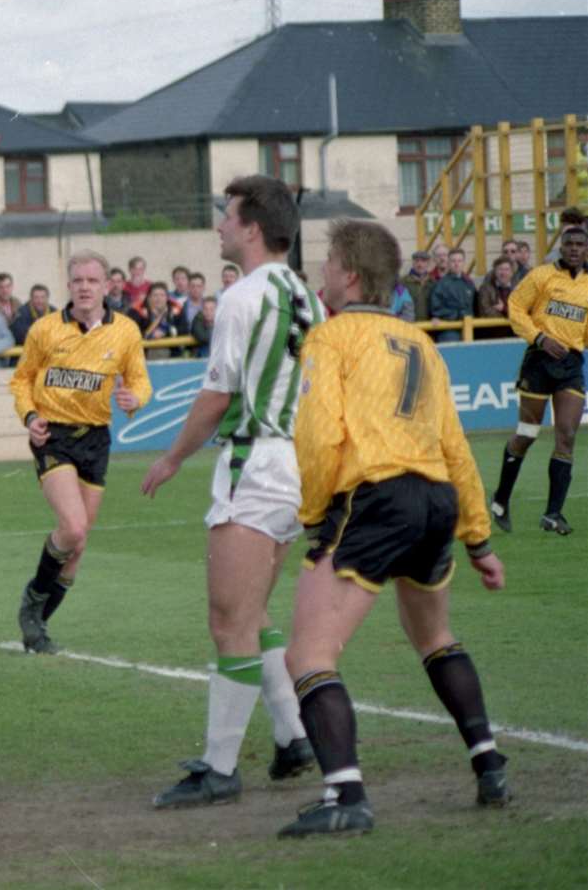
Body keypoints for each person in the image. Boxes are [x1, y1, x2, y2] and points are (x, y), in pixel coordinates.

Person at [277, 218, 508, 838]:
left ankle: (345, 796)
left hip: (376, 497)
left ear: (349, 275)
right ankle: (489, 762)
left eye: (327, 263)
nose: (321, 272)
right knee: (433, 635)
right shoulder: (421, 343)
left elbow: (319, 433)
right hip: (434, 498)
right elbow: (455, 445)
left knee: (308, 654)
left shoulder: (331, 339)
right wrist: (477, 536)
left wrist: (315, 516)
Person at [139, 175, 320, 808]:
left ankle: (220, 769)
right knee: (254, 613)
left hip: (255, 464)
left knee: (227, 624)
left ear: (251, 228)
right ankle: (294, 737)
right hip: (291, 463)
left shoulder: (242, 298)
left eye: (226, 216)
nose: (218, 226)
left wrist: (170, 459)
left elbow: (216, 397)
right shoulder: (303, 294)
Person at [12, 250, 151, 654]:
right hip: (52, 436)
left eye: (93, 280)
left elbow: (141, 382)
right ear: (68, 286)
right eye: (78, 281)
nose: (85, 287)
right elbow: (21, 381)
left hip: (96, 440)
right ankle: (32, 603)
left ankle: (37, 625)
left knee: (79, 546)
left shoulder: (125, 331)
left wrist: (133, 398)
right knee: (72, 528)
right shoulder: (45, 330)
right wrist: (30, 416)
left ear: (107, 285)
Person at [489, 221, 588, 536]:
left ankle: (553, 513)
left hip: (571, 364)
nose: (574, 249)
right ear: (562, 247)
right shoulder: (542, 276)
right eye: (569, 244)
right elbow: (515, 307)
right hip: (539, 362)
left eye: (580, 245)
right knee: (528, 433)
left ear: (586, 250)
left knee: (567, 436)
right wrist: (539, 338)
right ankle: (501, 497)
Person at [429, 247, 476, 342]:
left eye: (459, 261)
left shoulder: (469, 283)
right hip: (449, 331)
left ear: (463, 263)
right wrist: (459, 314)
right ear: (448, 263)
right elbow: (436, 309)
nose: (456, 264)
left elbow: (474, 307)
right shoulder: (441, 284)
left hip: (468, 328)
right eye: (453, 261)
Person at [135, 281, 184, 358]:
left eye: (162, 295)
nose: (159, 298)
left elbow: (184, 330)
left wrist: (166, 332)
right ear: (149, 297)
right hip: (145, 356)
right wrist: (151, 335)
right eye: (155, 295)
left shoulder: (177, 311)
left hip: (172, 354)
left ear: (167, 297)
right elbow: (133, 332)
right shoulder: (137, 312)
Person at [475, 256, 515, 332]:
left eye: (506, 269)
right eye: (500, 269)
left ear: (511, 272)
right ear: (495, 272)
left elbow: (522, 313)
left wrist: (504, 309)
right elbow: (486, 312)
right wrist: (508, 317)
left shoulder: (517, 290)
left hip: (514, 332)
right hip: (492, 331)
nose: (503, 273)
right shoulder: (485, 289)